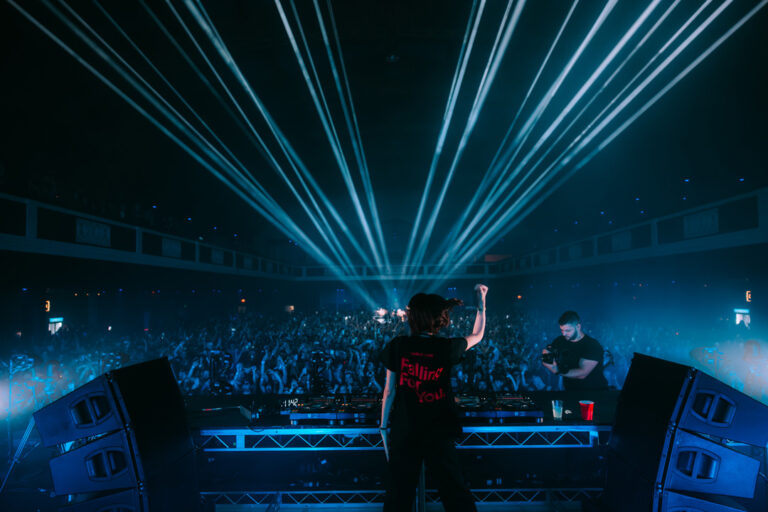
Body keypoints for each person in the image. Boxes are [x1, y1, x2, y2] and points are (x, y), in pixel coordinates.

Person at [379, 284, 488, 512]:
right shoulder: (445, 347)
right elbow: (477, 335)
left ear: (414, 318)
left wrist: (383, 427)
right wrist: (481, 305)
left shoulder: (398, 345)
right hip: (439, 429)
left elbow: (389, 391)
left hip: (406, 429)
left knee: (398, 496)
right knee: (454, 492)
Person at [541, 311, 608, 390]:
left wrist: (556, 370)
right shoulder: (560, 341)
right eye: (562, 330)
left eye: (568, 330)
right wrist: (547, 356)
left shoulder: (592, 345)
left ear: (578, 326)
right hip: (570, 390)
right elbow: (548, 355)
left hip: (594, 391)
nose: (564, 334)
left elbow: (582, 374)